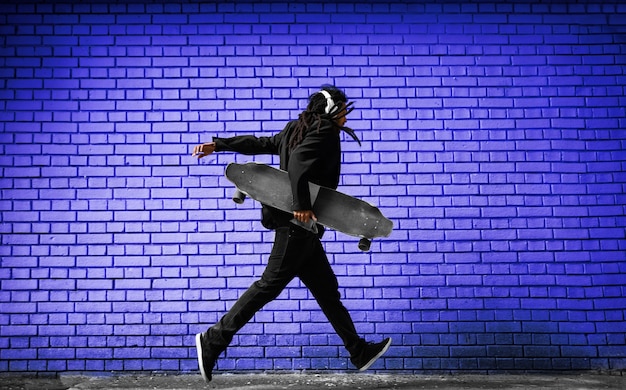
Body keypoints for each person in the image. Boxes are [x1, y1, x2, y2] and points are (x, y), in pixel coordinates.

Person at [191, 85, 391, 382]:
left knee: (327, 291)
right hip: (296, 227)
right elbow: (298, 165)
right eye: (344, 108)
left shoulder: (296, 129)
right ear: (331, 110)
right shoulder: (324, 131)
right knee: (268, 286)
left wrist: (219, 144)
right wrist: (302, 206)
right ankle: (213, 340)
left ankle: (358, 350)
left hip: (303, 231)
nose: (347, 114)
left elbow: (261, 143)